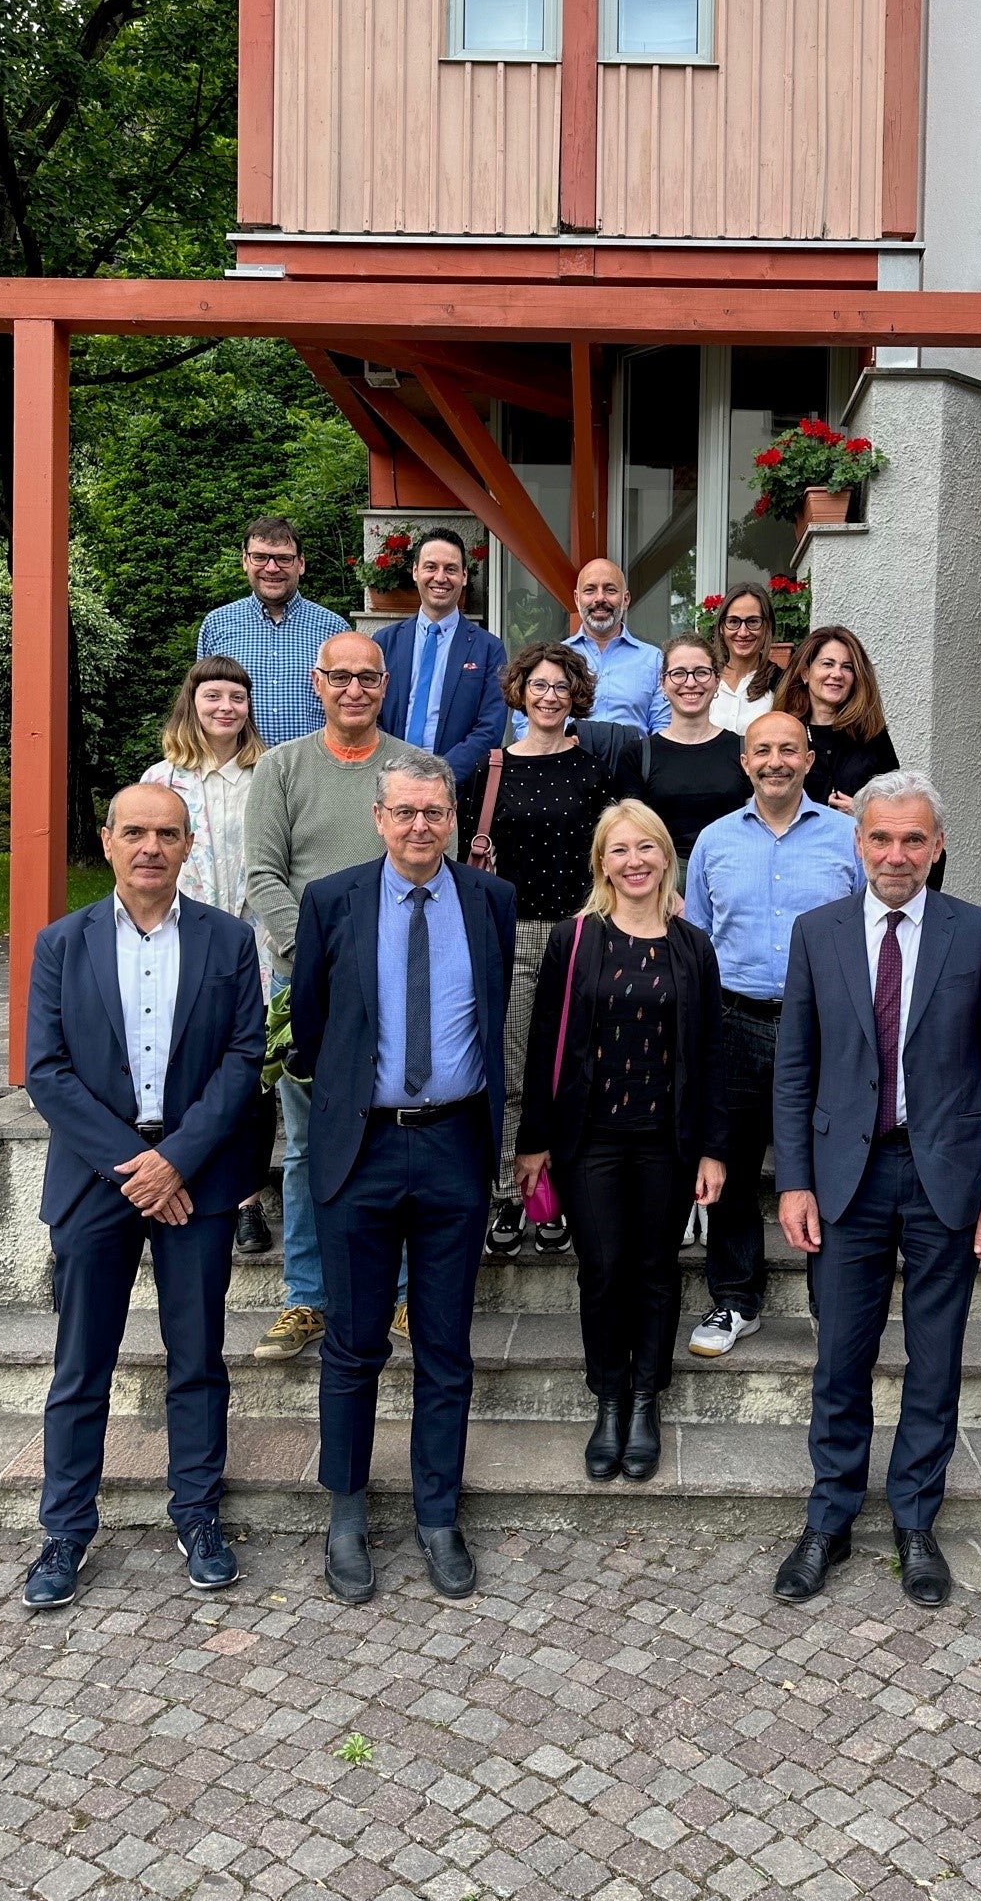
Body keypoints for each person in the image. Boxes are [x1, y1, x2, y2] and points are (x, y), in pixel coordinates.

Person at [770, 771, 981, 1609]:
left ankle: (916, 1522)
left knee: (935, 1360)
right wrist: (795, 1182)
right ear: (858, 843)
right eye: (881, 838)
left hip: (944, 1175)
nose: (896, 854)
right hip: (846, 1179)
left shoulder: (977, 934)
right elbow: (794, 1071)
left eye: (913, 839)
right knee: (840, 1357)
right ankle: (830, 1519)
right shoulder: (818, 933)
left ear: (938, 846)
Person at [20, 784, 267, 1609]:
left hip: (196, 1179)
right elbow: (45, 1071)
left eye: (167, 833)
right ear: (108, 841)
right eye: (135, 833)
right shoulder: (62, 942)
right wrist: (136, 1164)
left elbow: (243, 1061)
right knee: (80, 1363)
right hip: (98, 1179)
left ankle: (196, 1514)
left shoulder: (230, 941)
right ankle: (64, 1530)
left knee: (196, 1358)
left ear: (189, 845)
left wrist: (179, 1161)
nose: (151, 847)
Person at [288, 747, 515, 1605]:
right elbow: (311, 1027)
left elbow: (493, 1019)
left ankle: (436, 1514)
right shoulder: (332, 900)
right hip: (362, 1149)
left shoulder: (490, 900)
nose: (421, 827)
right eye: (405, 813)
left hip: (456, 1146)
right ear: (379, 819)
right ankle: (346, 1513)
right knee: (352, 1345)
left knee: (447, 1348)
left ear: (453, 818)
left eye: (435, 813)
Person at [515, 802, 728, 1484]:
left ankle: (645, 1402)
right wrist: (533, 1142)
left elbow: (713, 1052)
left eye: (646, 848)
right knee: (604, 1271)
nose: (633, 861)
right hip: (591, 1139)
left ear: (667, 856)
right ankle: (607, 1399)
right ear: (601, 862)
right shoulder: (575, 939)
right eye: (618, 850)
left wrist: (715, 1149)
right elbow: (544, 1042)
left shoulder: (693, 945)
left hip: (668, 1139)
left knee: (657, 1271)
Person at [245, 632, 406, 1364]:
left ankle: (401, 1293)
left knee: (397, 1135)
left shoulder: (412, 770)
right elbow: (263, 876)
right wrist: (318, 962)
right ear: (317, 683)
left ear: (383, 684)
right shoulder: (281, 768)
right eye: (339, 677)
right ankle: (305, 1296)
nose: (353, 689)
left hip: (397, 984)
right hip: (305, 986)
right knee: (309, 1147)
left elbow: (431, 871)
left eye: (366, 678)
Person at [683, 711, 863, 1357]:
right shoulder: (714, 841)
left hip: (825, 1025)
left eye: (789, 749)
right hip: (734, 1020)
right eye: (763, 750)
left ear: (809, 760)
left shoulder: (850, 837)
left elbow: (875, 934)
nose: (776, 761)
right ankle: (735, 1299)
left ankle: (831, 1303)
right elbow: (697, 942)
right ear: (745, 761)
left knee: (829, 1162)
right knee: (727, 1162)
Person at [462, 642, 616, 1257]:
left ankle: (558, 1190)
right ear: (520, 692)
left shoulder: (595, 770)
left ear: (574, 694)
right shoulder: (492, 769)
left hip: (580, 931)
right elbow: (466, 863)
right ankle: (508, 1189)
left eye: (560, 686)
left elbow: (610, 855)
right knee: (513, 1063)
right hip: (515, 932)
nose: (549, 696)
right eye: (538, 686)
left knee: (575, 1067)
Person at [142, 654, 275, 1255]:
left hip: (255, 942)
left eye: (236, 699)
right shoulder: (161, 779)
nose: (225, 708)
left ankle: (246, 1197)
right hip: (182, 941)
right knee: (192, 1064)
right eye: (213, 697)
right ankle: (183, 1176)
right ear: (191, 705)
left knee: (248, 1073)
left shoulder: (267, 773)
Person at [373, 527, 507, 807]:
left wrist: (440, 777)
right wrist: (392, 773)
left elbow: (489, 728)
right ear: (414, 571)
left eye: (451, 569)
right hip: (388, 787)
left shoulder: (488, 649)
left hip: (455, 793)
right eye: (431, 567)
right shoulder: (385, 642)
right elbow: (372, 714)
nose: (440, 578)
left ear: (464, 577)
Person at [198, 515, 350, 746]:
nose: (271, 568)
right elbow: (201, 704)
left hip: (311, 772)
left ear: (300, 564)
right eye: (260, 557)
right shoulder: (217, 624)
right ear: (245, 561)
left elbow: (349, 707)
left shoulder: (334, 629)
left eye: (283, 559)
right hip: (237, 772)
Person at [614, 633, 749, 879]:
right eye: (678, 673)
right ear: (663, 684)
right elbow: (633, 832)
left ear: (717, 680)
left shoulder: (744, 750)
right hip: (661, 882)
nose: (690, 683)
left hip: (733, 876)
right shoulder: (637, 755)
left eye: (701, 672)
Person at [511, 558, 669, 738]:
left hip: (632, 764)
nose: (600, 598)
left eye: (610, 590)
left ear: (625, 599)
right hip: (566, 763)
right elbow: (524, 723)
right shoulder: (551, 659)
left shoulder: (654, 660)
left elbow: (664, 728)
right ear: (577, 599)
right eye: (590, 590)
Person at [776, 626, 899, 814]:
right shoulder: (783, 732)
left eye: (847, 667)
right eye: (827, 664)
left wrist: (863, 812)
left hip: (855, 840)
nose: (837, 674)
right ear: (805, 673)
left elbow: (896, 804)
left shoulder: (871, 735)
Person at [709, 583, 780, 734]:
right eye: (733, 621)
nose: (742, 632)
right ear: (722, 627)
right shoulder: (705, 680)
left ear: (767, 627)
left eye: (753, 621)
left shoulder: (782, 684)